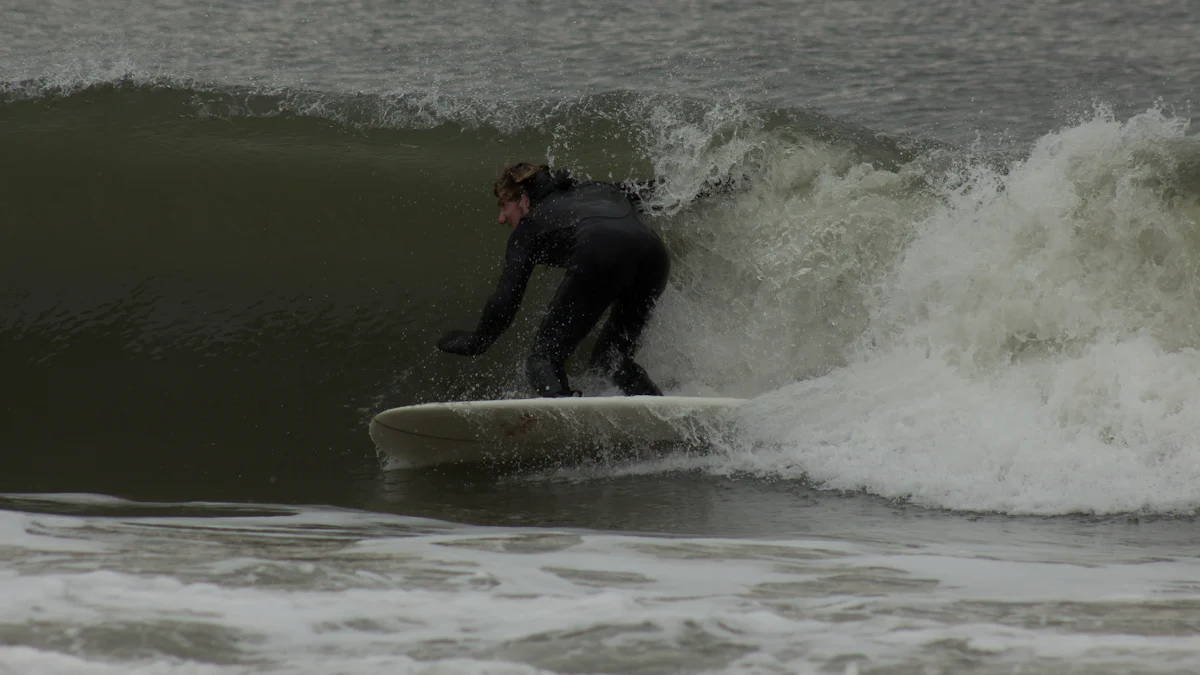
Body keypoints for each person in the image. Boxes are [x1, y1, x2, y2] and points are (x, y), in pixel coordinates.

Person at [436, 163, 669, 397]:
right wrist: (704, 187)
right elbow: (658, 191)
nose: (501, 218)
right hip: (655, 257)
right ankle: (662, 414)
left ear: (523, 199)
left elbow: (505, 301)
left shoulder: (529, 227)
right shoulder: (596, 188)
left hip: (598, 248)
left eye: (504, 205)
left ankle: (565, 411)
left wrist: (477, 342)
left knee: (543, 358)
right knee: (613, 360)